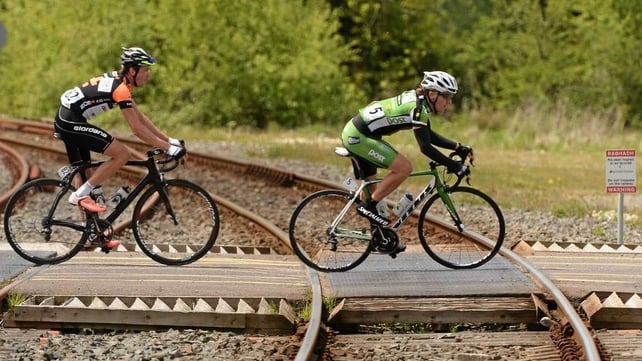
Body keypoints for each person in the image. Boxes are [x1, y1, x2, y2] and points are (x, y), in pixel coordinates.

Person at [53, 47, 185, 240]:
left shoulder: (121, 82)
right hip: (70, 122)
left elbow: (141, 118)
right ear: (132, 71)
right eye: (145, 70)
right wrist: (169, 149)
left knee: (84, 172)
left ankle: (89, 233)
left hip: (69, 118)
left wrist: (170, 141)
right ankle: (79, 195)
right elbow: (136, 129)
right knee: (122, 154)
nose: (148, 74)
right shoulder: (121, 89)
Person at [340, 70, 473, 244]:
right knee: (403, 168)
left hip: (362, 134)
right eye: (447, 96)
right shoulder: (418, 109)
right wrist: (455, 166)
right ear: (432, 94)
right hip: (359, 137)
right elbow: (425, 147)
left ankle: (378, 239)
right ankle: (368, 206)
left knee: (374, 191)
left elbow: (429, 135)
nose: (450, 101)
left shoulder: (420, 104)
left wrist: (458, 147)